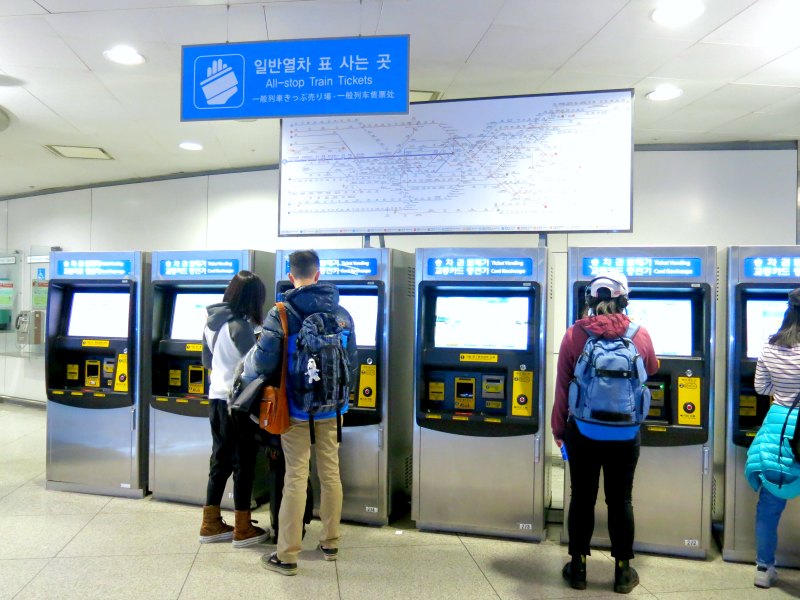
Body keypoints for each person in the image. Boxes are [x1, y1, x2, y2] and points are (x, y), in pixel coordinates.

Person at [241, 250, 358, 576]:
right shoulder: (343, 313)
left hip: (293, 410)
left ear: (292, 277)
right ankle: (331, 542)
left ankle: (287, 555)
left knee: (295, 477)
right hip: (332, 410)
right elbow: (352, 360)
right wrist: (342, 402)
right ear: (318, 275)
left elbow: (264, 364)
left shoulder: (280, 313)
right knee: (331, 474)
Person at [552, 272, 658, 594]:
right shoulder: (640, 335)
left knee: (581, 498)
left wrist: (560, 431)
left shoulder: (574, 335)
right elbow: (651, 369)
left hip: (582, 431)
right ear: (624, 300)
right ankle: (623, 572)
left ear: (589, 300)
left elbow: (562, 387)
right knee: (620, 500)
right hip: (625, 435)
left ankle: (579, 569)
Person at [198, 270, 269, 548]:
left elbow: (207, 361)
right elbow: (258, 367)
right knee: (243, 464)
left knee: (220, 461)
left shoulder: (211, 325)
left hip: (216, 400)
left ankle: (211, 523)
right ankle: (242, 527)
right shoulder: (240, 327)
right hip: (237, 405)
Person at [745, 288, 800, 589]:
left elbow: (761, 388)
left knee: (769, 505)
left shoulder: (770, 345)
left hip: (780, 430)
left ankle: (764, 569)